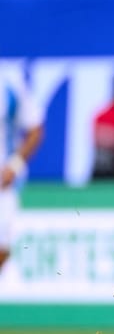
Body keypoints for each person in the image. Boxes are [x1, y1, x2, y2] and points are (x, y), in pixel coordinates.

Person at [0, 70, 44, 272]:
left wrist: (14, 165)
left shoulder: (9, 81)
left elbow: (35, 128)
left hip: (3, 186)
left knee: (2, 250)